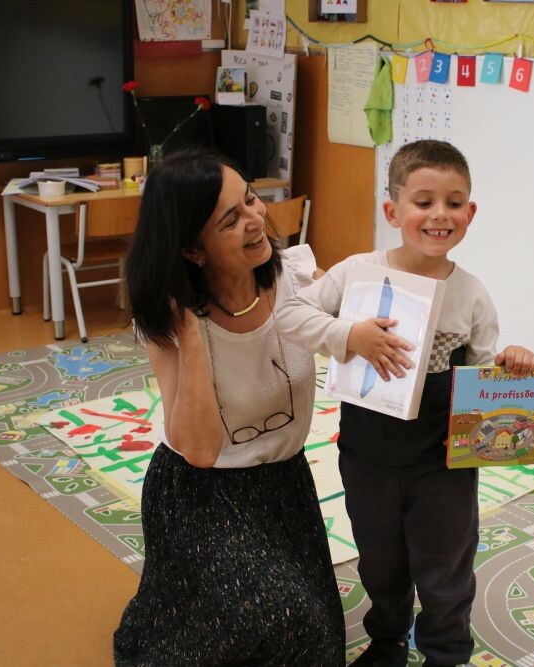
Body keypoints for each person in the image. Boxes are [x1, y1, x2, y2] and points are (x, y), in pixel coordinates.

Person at [275, 140, 534, 667]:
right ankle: (388, 640)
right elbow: (289, 316)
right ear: (392, 211)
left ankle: (446, 652)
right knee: (380, 560)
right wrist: (350, 335)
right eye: (424, 201)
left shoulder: (473, 294)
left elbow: (483, 379)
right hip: (367, 455)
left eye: (454, 202)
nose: (440, 214)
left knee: (446, 566)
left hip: (442, 465)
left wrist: (511, 365)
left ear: (470, 213)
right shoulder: (356, 272)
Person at [113, 148, 345, 666]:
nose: (255, 220)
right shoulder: (167, 319)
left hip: (284, 485)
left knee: (314, 641)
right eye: (230, 219)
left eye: (252, 200)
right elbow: (197, 450)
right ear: (193, 250)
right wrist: (192, 334)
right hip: (200, 494)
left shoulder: (298, 277)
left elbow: (377, 320)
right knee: (275, 616)